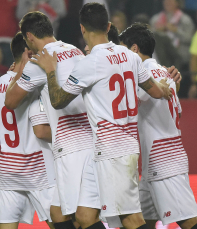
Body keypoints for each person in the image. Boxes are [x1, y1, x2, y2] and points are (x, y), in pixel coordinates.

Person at [29, 3, 172, 229]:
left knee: (132, 219)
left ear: (82, 29)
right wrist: (166, 86)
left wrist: (49, 70)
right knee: (85, 216)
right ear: (108, 26)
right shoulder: (131, 56)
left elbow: (57, 101)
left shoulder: (90, 63)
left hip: (114, 151)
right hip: (106, 150)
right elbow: (155, 91)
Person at [5, 11, 101, 229]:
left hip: (71, 147)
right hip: (89, 139)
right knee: (57, 213)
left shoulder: (40, 61)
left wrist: (22, 64)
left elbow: (10, 101)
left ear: (29, 36)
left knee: (84, 219)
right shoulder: (75, 50)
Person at [119, 23, 197, 229]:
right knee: (134, 223)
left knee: (189, 221)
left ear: (134, 49)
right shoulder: (165, 73)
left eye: (122, 49)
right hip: (154, 163)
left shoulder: (143, 77)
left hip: (164, 162)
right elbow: (176, 110)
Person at [0, 32, 55, 229]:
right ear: (29, 52)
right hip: (37, 170)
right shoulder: (35, 86)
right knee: (61, 224)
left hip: (8, 170)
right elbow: (40, 131)